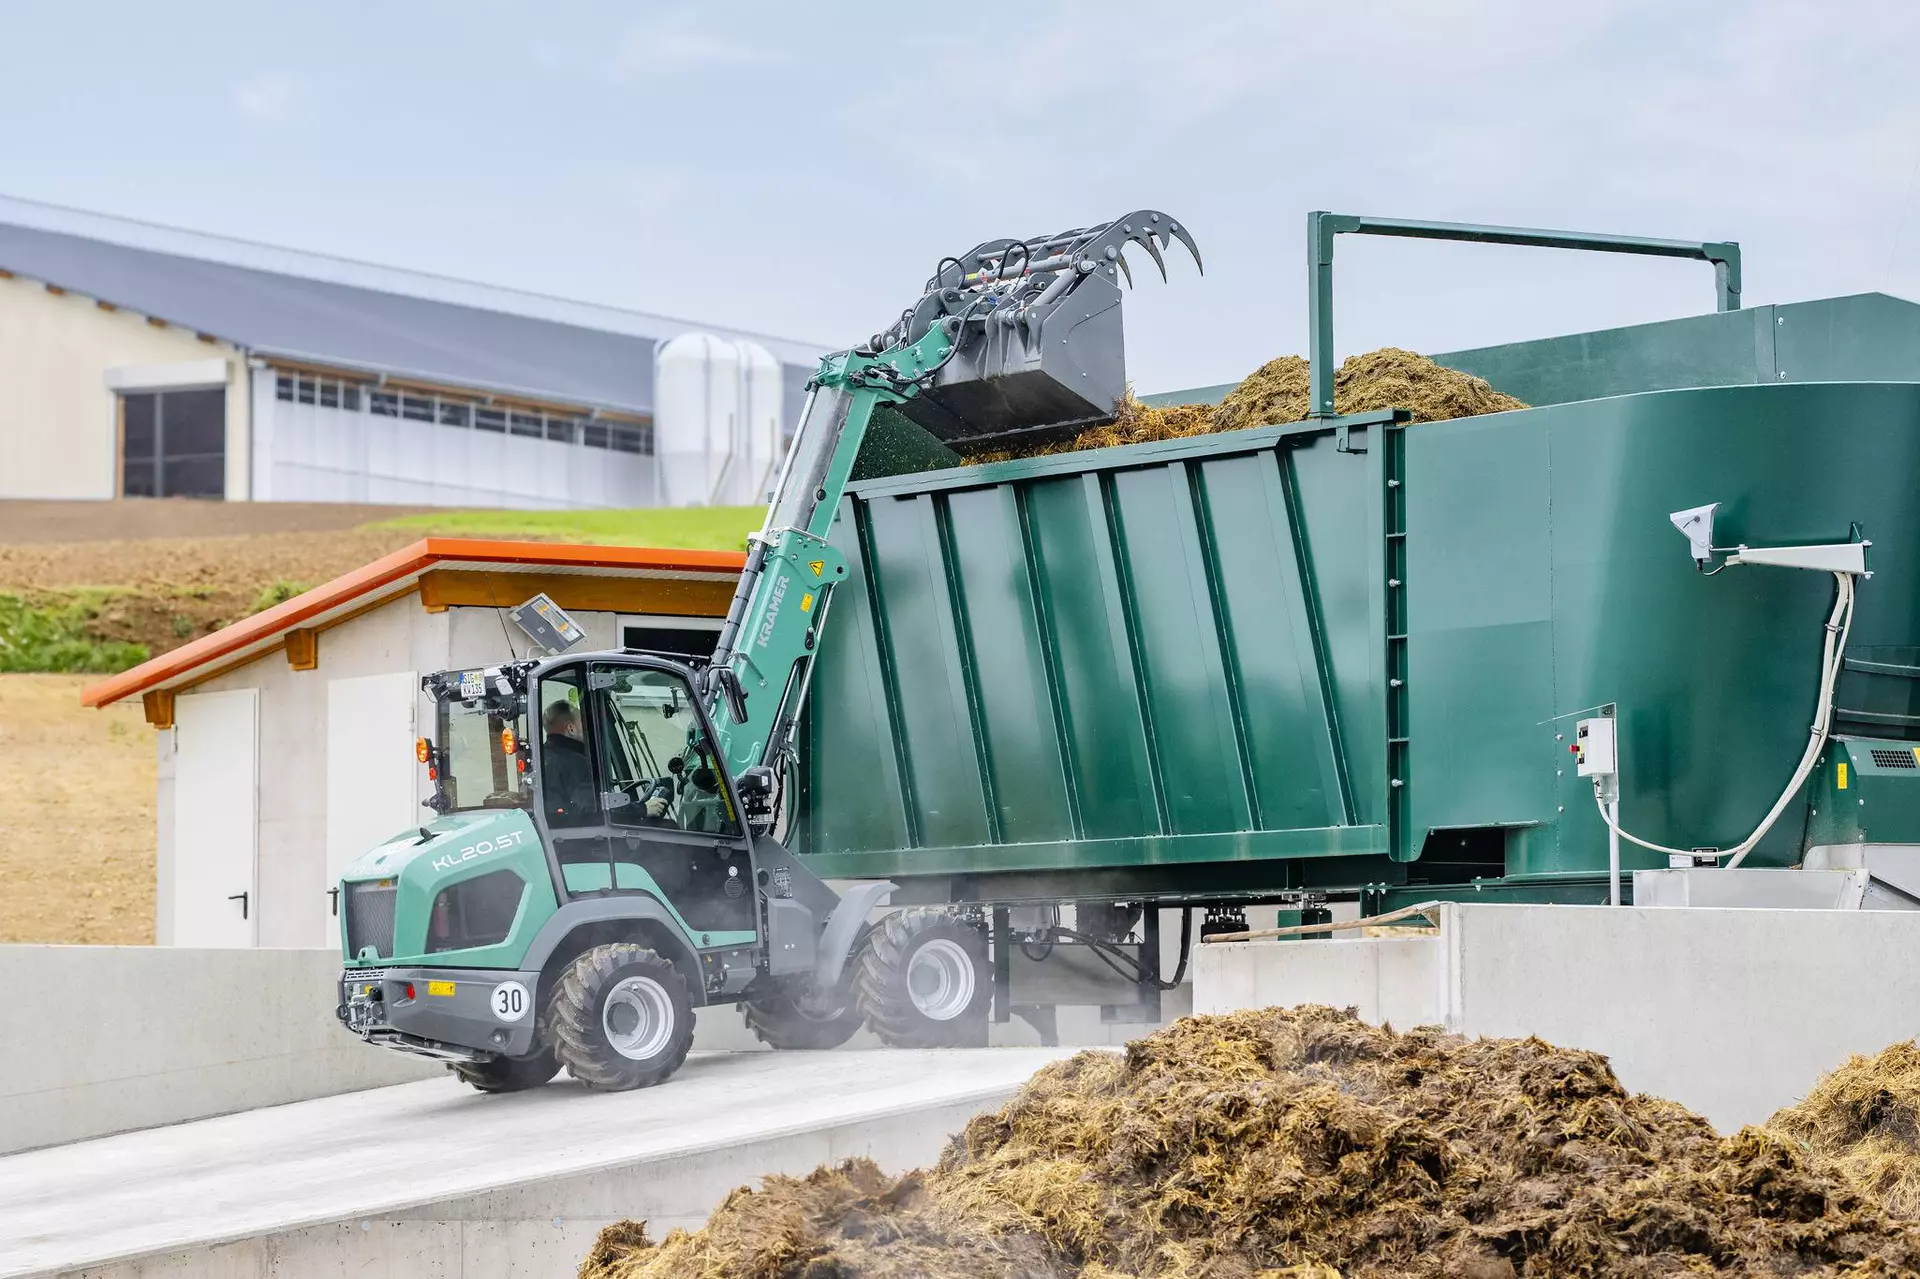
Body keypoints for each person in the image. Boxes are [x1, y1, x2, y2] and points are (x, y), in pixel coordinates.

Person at [541, 700, 595, 824]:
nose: (587, 728)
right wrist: (641, 809)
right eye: (583, 722)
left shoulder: (540, 759)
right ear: (571, 728)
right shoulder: (577, 763)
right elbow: (590, 811)